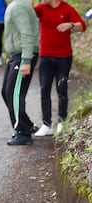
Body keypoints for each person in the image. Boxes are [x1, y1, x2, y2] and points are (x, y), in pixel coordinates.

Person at [33, 0, 87, 136]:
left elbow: (82, 26)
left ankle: (62, 121)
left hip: (63, 57)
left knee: (61, 88)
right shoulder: (41, 8)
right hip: (45, 56)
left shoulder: (67, 8)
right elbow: (27, 14)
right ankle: (46, 124)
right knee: (44, 88)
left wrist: (70, 24)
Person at [2, 0, 40, 145]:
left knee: (14, 94)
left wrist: (25, 60)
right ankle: (27, 125)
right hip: (16, 55)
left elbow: (26, 34)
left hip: (23, 55)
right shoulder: (17, 4)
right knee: (6, 92)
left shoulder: (19, 6)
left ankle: (23, 133)